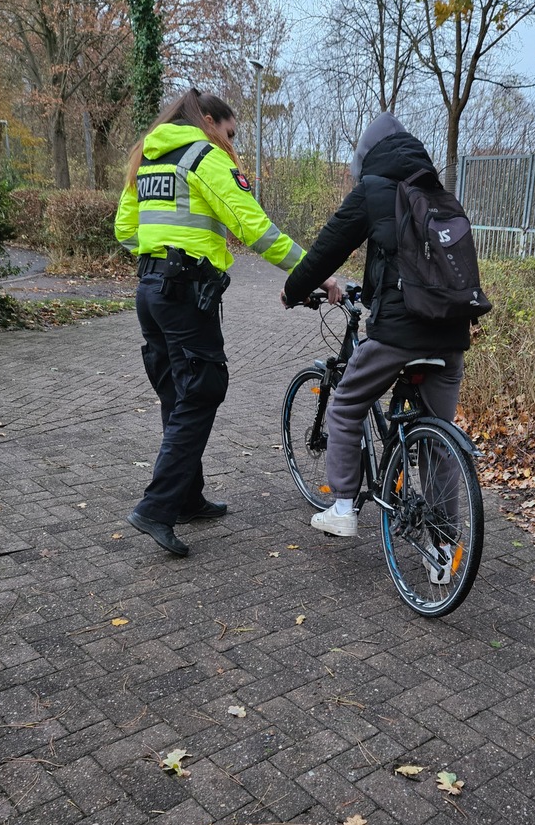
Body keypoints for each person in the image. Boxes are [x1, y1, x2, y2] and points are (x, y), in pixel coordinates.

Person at [115, 87, 340, 556]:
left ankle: (186, 498)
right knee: (202, 390)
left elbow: (124, 231)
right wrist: (313, 273)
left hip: (150, 292)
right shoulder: (204, 157)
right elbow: (257, 229)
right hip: (184, 297)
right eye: (230, 131)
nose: (230, 141)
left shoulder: (149, 159)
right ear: (210, 120)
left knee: (178, 392)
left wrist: (160, 257)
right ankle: (156, 507)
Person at [281, 113, 471, 581]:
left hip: (399, 334)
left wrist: (291, 291)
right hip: (450, 337)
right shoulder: (439, 194)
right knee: (438, 439)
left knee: (345, 402)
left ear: (367, 155)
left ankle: (343, 507)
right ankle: (443, 552)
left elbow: (327, 248)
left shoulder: (373, 189)